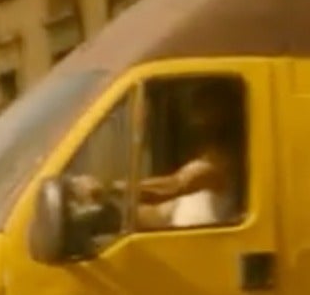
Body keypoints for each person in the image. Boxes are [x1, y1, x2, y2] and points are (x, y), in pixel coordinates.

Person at [69, 80, 244, 230]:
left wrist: (108, 188)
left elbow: (172, 186)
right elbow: (159, 214)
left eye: (204, 109)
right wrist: (109, 210)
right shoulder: (202, 168)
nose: (195, 121)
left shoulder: (220, 165)